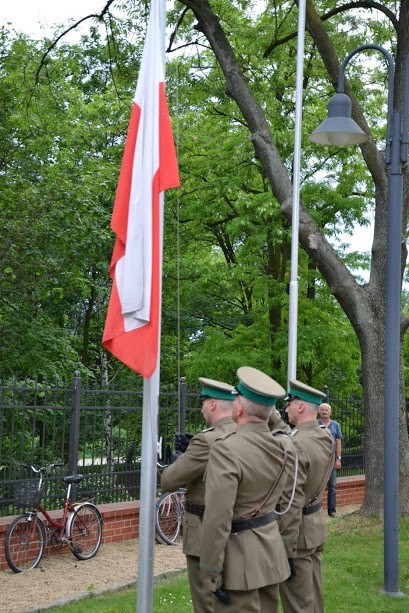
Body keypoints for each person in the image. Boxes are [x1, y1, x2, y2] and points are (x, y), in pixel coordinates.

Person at [200, 366, 297, 613]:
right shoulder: (284, 446)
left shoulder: (226, 449)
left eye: (235, 400)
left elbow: (217, 518)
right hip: (269, 552)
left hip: (238, 562)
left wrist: (211, 570)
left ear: (239, 409)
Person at [160, 377, 236, 613]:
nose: (201, 407)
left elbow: (170, 481)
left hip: (204, 530)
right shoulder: (245, 434)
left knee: (207, 603)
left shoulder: (207, 440)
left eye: (203, 402)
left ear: (213, 404)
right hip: (239, 530)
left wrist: (181, 459)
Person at [278, 379, 335, 613]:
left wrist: (286, 548)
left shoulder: (295, 444)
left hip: (298, 534)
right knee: (313, 601)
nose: (286, 409)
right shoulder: (325, 437)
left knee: (297, 604)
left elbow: (291, 503)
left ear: (300, 407)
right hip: (315, 526)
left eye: (289, 404)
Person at [318, 402, 342, 517]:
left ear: (330, 412)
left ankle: (332, 511)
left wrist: (338, 459)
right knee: (316, 487)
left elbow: (338, 442)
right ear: (319, 412)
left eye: (326, 410)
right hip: (318, 461)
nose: (324, 411)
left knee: (332, 487)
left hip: (332, 462)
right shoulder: (315, 424)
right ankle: (316, 511)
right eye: (322, 409)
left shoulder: (335, 425)